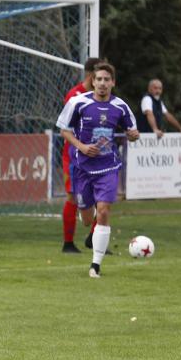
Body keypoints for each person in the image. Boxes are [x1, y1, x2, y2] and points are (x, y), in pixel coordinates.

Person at [56, 62, 139, 278]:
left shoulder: (120, 106)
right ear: (93, 81)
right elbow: (64, 130)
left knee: (103, 211)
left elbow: (132, 130)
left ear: (113, 82)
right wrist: (82, 147)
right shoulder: (78, 102)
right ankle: (88, 212)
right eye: (99, 79)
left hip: (108, 167)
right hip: (82, 167)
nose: (102, 83)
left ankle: (96, 266)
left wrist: (133, 134)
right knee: (86, 218)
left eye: (106, 80)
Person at [61, 57, 101, 254]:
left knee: (102, 196)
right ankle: (68, 243)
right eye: (99, 76)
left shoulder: (101, 97)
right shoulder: (75, 95)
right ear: (91, 74)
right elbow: (68, 126)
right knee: (73, 197)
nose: (103, 81)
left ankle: (94, 240)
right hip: (74, 155)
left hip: (95, 154)